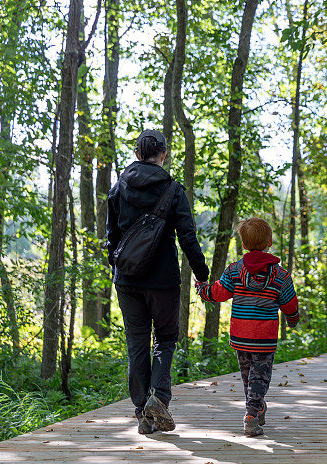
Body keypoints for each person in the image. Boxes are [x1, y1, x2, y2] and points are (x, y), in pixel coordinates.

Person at [106, 129, 210, 435]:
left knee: (136, 344)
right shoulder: (173, 190)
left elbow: (111, 237)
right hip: (163, 280)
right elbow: (188, 238)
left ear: (138, 154)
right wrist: (202, 274)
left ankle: (143, 413)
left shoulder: (118, 188)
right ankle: (159, 399)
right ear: (163, 154)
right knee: (164, 340)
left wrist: (118, 265)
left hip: (127, 280)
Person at [196, 217, 300, 437]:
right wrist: (292, 319)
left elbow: (218, 292)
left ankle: (255, 408)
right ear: (269, 241)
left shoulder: (234, 270)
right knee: (259, 377)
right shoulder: (280, 276)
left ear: (243, 244)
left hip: (241, 336)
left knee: (248, 376)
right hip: (264, 338)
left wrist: (202, 289)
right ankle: (252, 414)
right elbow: (289, 303)